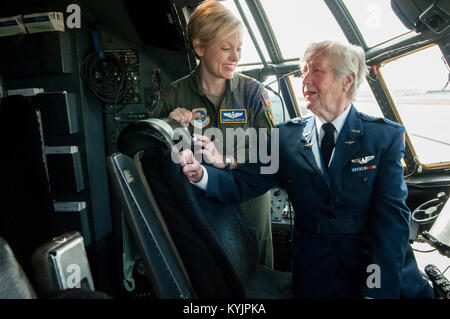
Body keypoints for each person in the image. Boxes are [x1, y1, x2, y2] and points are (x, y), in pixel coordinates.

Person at [179, 40, 435, 299]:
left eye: (316, 70)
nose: (305, 80)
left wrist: (377, 290)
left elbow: (391, 221)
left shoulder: (382, 137)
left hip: (373, 264)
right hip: (316, 272)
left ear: (346, 81)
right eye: (303, 71)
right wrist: (202, 175)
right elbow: (242, 184)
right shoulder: (284, 138)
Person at [152, 0, 275, 269]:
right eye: (226, 48)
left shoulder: (253, 93)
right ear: (200, 47)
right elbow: (153, 158)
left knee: (259, 273)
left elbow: (270, 154)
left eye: (239, 49)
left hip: (249, 199)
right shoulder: (173, 96)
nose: (236, 57)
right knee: (211, 272)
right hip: (201, 203)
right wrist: (169, 125)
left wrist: (227, 159)